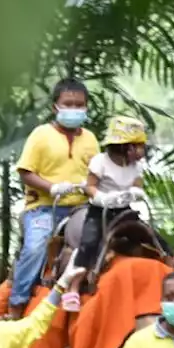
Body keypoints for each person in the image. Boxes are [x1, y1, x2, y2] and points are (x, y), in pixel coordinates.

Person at [8, 77, 100, 318]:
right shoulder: (40, 135)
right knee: (35, 247)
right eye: (68, 104)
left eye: (79, 105)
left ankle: (78, 290)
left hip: (80, 207)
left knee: (102, 236)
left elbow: (98, 174)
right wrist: (52, 188)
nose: (74, 109)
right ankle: (16, 305)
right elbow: (25, 172)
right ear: (55, 107)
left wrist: (89, 185)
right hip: (44, 208)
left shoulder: (90, 139)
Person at [62, 114, 149, 312]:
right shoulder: (100, 161)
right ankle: (73, 289)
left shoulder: (136, 167)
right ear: (126, 146)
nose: (143, 150)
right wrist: (101, 198)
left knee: (152, 237)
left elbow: (137, 185)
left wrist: (135, 194)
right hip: (100, 210)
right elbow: (89, 187)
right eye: (139, 145)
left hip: (123, 210)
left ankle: (173, 271)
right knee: (89, 244)